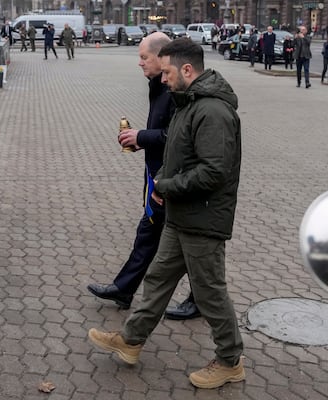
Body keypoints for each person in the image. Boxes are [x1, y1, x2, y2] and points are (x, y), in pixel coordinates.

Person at [88, 38, 244, 390]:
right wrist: (162, 183)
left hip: (203, 219)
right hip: (182, 213)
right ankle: (131, 340)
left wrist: (166, 186)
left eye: (169, 72)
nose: (163, 79)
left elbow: (213, 172)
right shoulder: (190, 102)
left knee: (209, 292)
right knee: (158, 277)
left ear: (187, 70)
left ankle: (230, 360)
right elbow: (179, 151)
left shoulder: (213, 111)